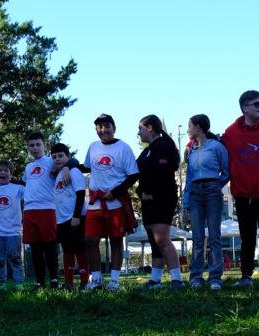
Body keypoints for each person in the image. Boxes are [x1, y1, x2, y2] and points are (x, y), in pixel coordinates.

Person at [221, 90, 259, 288]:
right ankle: (245, 277)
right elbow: (215, 141)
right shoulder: (232, 132)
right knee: (246, 238)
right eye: (257, 104)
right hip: (242, 194)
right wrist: (190, 143)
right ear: (244, 108)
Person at [80, 113, 139, 291]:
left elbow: (134, 174)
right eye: (100, 127)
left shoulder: (123, 148)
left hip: (115, 203)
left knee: (115, 241)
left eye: (107, 126)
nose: (104, 130)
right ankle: (96, 280)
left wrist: (115, 191)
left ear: (114, 128)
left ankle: (114, 281)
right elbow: (86, 167)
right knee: (90, 240)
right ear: (96, 129)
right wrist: (67, 165)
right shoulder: (93, 147)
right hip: (95, 202)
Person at [136, 114, 183, 290]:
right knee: (154, 240)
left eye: (140, 128)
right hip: (148, 199)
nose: (138, 132)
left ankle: (177, 279)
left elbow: (161, 173)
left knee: (161, 238)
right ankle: (155, 280)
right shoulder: (148, 150)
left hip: (161, 197)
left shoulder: (162, 146)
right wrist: (141, 191)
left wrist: (149, 191)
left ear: (150, 128)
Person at [183, 114, 230, 290]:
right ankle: (196, 277)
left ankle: (215, 277)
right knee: (197, 237)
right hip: (195, 191)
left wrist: (216, 185)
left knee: (214, 235)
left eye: (190, 126)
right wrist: (186, 203)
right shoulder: (191, 151)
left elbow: (226, 171)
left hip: (212, 190)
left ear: (199, 127)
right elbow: (188, 179)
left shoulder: (217, 147)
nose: (188, 130)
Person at [23, 132, 61, 289]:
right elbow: (26, 184)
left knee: (50, 246)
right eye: (31, 145)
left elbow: (71, 163)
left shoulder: (52, 161)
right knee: (35, 248)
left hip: (48, 208)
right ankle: (39, 282)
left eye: (38, 144)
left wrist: (64, 170)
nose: (35, 148)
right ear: (28, 148)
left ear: (45, 145)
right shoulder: (28, 167)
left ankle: (53, 279)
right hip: (29, 210)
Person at [0, 160, 27, 289]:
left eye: (6, 171)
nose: (3, 173)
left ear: (11, 174)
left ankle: (19, 283)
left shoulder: (18, 189)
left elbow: (31, 187)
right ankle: (1, 283)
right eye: (0, 170)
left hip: (13, 231)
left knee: (15, 258)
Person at [52, 143, 89, 289]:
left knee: (80, 249)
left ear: (68, 156)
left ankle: (85, 281)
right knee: (67, 250)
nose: (57, 159)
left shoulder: (74, 171)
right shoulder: (58, 174)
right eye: (54, 157)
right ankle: (68, 282)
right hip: (62, 220)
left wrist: (77, 216)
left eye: (61, 156)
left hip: (75, 219)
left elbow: (80, 194)